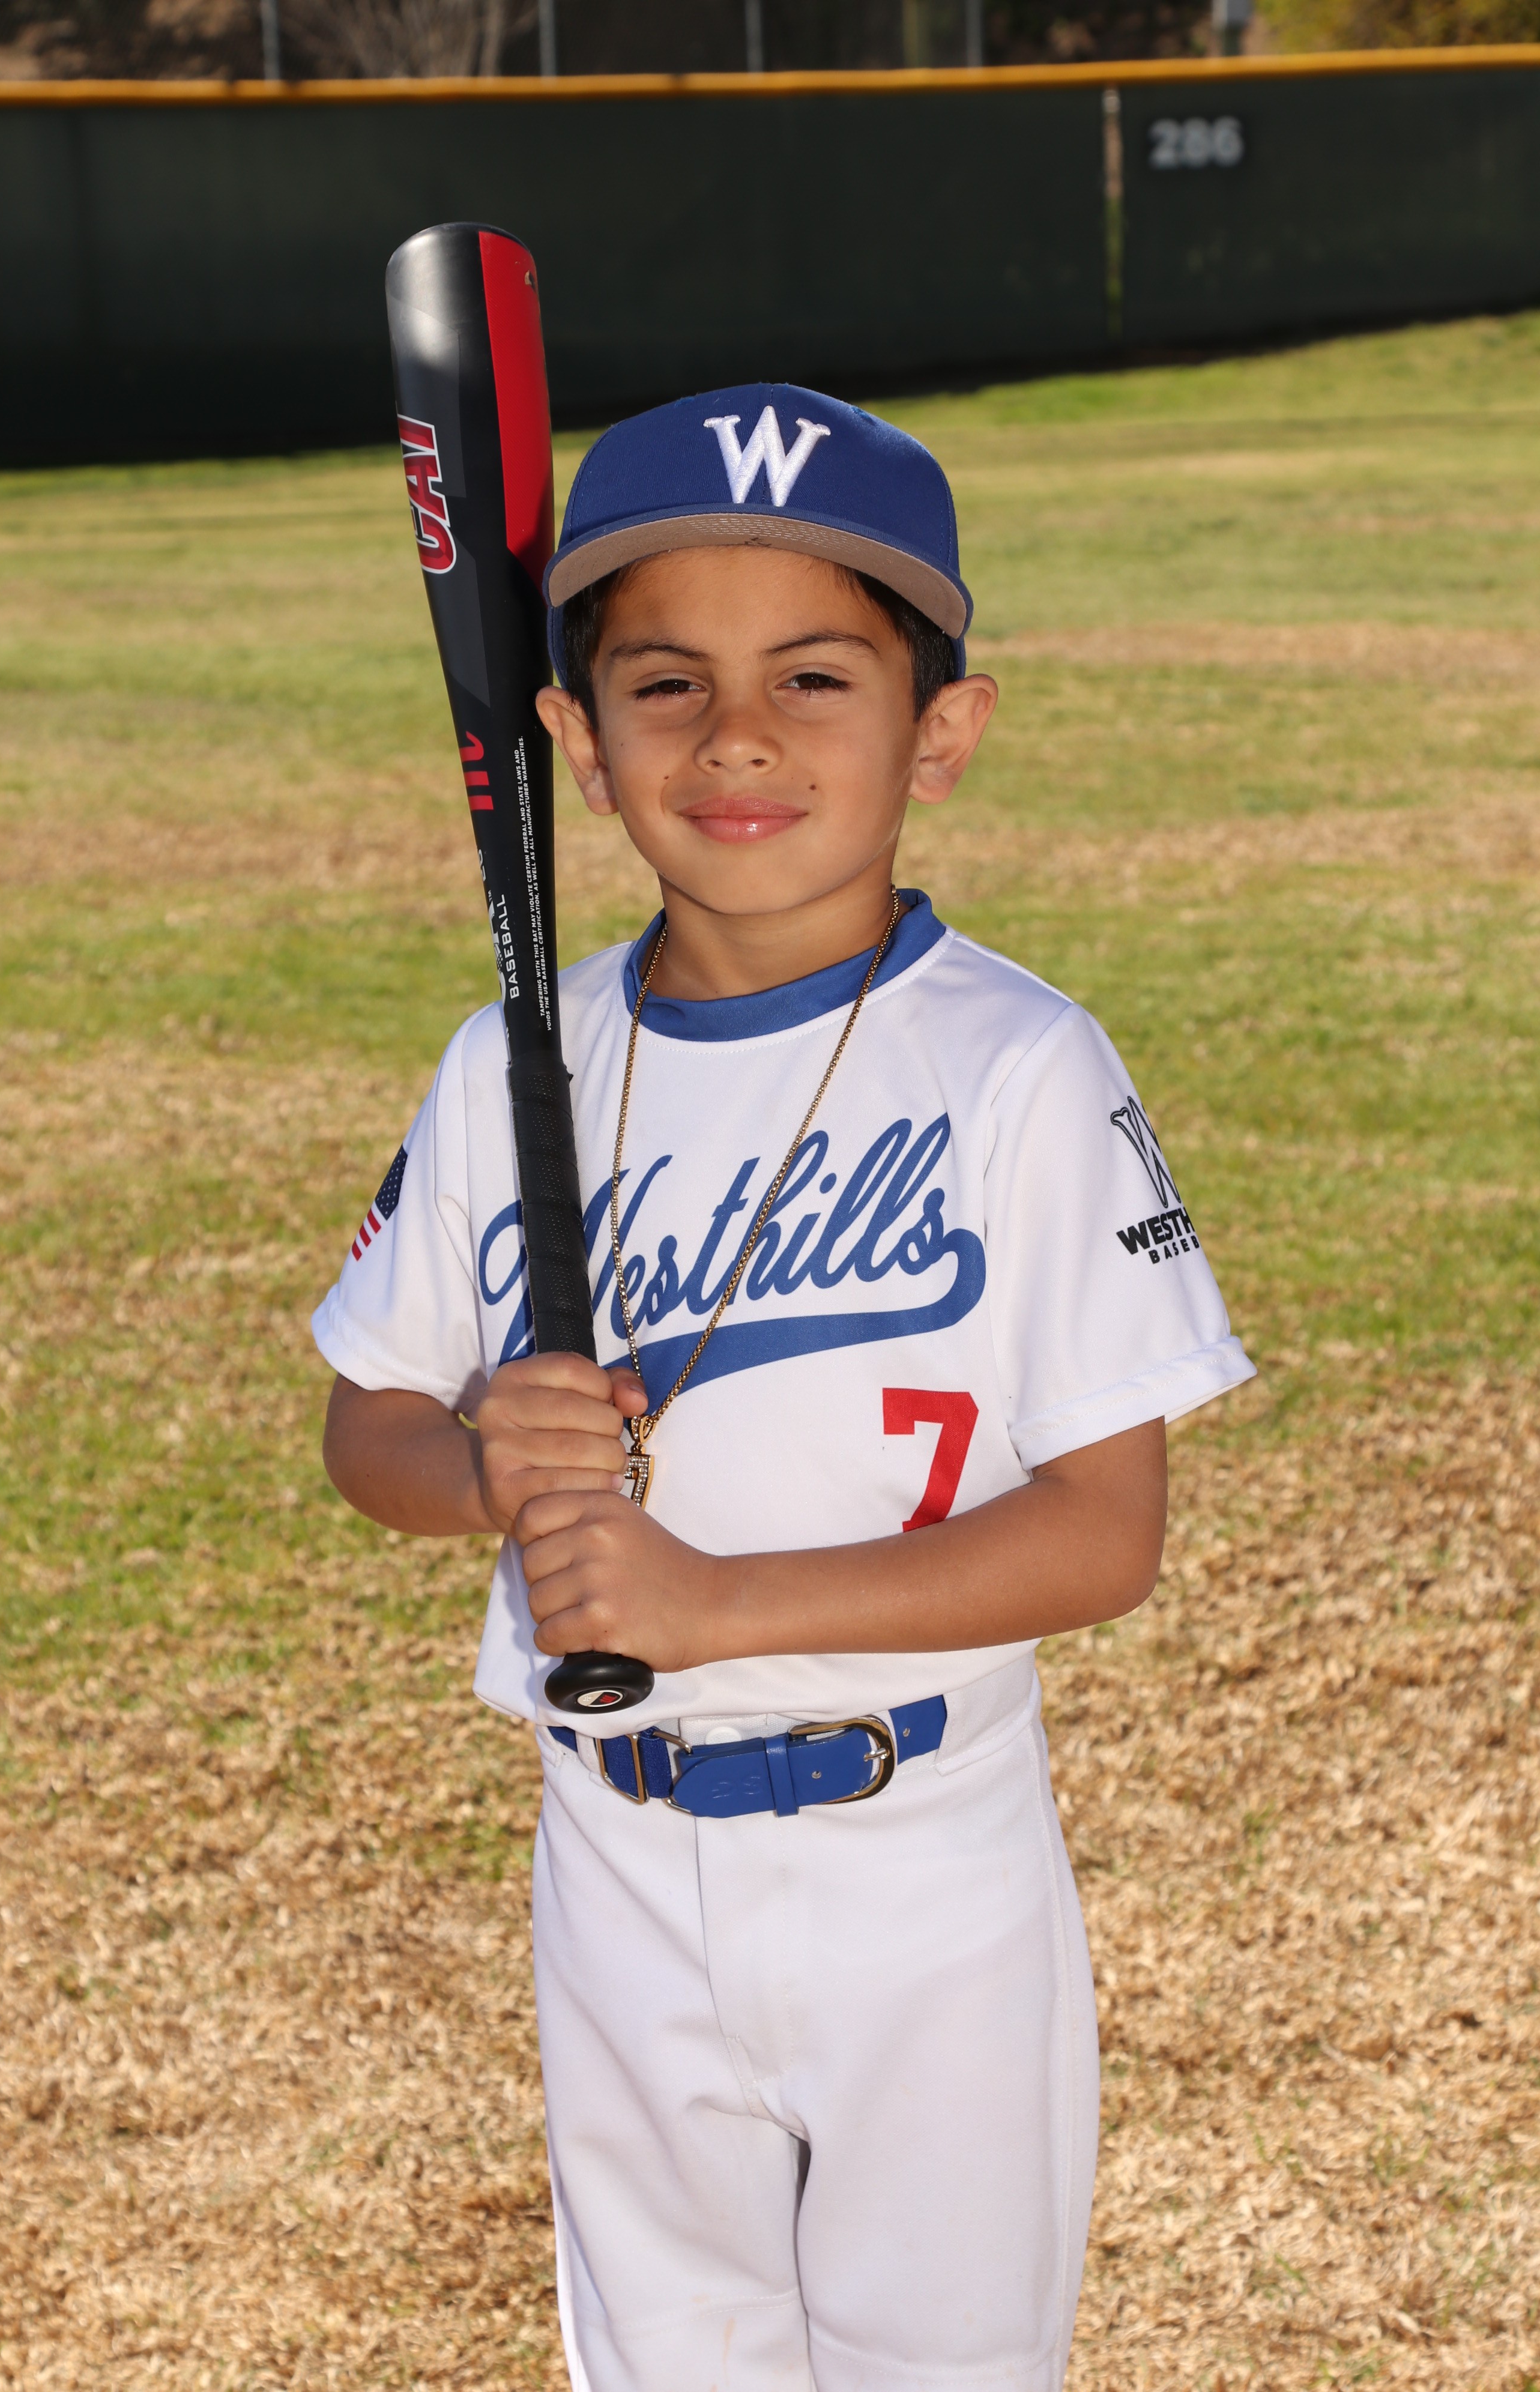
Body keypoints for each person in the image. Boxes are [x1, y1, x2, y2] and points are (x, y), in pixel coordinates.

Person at [314, 384, 1254, 2392]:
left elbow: (1105, 1536)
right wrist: (478, 1464)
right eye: (666, 683)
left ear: (942, 732)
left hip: (924, 1855)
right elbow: (369, 1425)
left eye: (815, 678)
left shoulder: (1019, 1066)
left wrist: (715, 1605)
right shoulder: (517, 1064)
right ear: (574, 743)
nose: (736, 738)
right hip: (614, 1858)